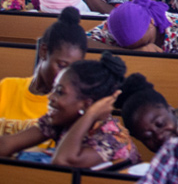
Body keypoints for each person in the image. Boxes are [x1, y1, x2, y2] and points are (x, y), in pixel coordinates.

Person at [0, 52, 138, 168]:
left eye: (60, 92)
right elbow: (6, 144)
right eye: (54, 89)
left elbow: (63, 162)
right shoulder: (60, 119)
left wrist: (90, 114)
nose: (51, 97)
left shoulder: (114, 138)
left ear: (87, 104)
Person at [0, 7, 86, 130]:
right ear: (43, 51)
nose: (65, 77)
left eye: (72, 71)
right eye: (61, 66)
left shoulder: (66, 106)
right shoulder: (7, 88)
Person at [86, 0, 178, 55]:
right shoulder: (117, 24)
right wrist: (130, 54)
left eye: (143, 43)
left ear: (151, 22)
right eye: (128, 47)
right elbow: (82, 41)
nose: (140, 48)